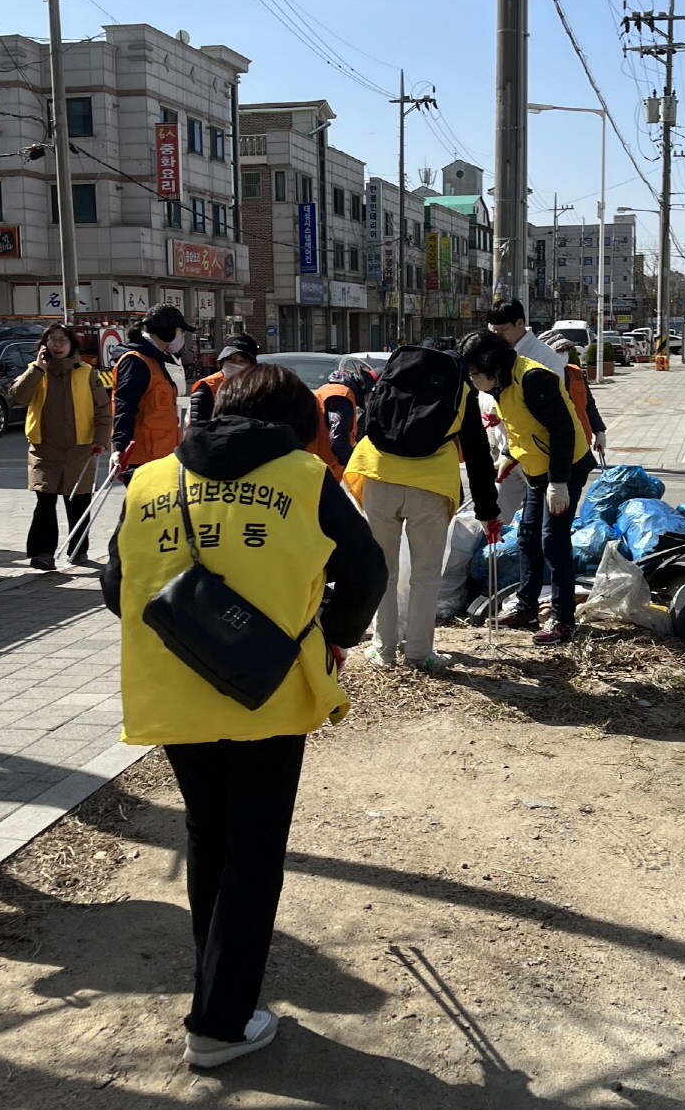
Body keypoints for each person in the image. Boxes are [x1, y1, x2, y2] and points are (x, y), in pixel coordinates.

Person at [101, 363, 386, 1068]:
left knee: (209, 834)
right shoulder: (304, 479)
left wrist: (185, 634)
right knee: (253, 853)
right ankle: (220, 1022)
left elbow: (115, 581)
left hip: (173, 691)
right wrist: (336, 636)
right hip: (270, 687)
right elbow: (368, 571)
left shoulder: (151, 480)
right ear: (296, 422)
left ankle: (216, 978)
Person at [343, 346, 501, 670]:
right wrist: (487, 510)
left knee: (382, 569)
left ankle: (383, 651)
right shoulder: (459, 391)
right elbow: (476, 452)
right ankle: (419, 654)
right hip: (430, 488)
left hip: (377, 476)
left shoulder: (393, 378)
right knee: (426, 576)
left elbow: (368, 425)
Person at [461, 331, 597, 647]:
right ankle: (526, 607)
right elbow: (519, 426)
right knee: (527, 536)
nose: (472, 380)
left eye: (474, 374)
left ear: (490, 367)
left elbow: (563, 431)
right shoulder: (501, 384)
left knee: (553, 540)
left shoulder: (534, 378)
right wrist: (508, 457)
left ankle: (563, 620)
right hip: (536, 468)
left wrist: (560, 483)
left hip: (566, 466)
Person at [10, 323, 111, 570]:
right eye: (52, 340)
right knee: (45, 501)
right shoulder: (35, 371)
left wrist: (100, 440)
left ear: (71, 344)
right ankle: (42, 553)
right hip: (44, 448)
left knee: (78, 501)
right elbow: (18, 396)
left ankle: (78, 551)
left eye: (62, 340)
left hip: (80, 447)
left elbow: (102, 409)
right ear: (44, 345)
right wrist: (37, 369)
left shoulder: (86, 372)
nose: (57, 345)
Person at [112, 304, 191, 480]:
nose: (181, 337)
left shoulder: (155, 360)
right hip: (142, 459)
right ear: (166, 331)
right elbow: (125, 407)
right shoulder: (136, 362)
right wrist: (119, 447)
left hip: (160, 457)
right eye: (180, 332)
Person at [307, 356, 376, 479]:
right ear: (365, 388)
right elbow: (338, 437)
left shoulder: (333, 391)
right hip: (321, 468)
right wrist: (352, 465)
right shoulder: (341, 395)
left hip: (315, 463)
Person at [547, 337, 608, 459]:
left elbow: (589, 405)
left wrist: (599, 431)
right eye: (558, 351)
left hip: (581, 440)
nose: (563, 355)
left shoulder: (575, 373)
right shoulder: (537, 377)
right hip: (551, 445)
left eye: (565, 351)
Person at [486, 299, 567, 377]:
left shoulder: (546, 357)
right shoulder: (493, 352)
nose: (498, 334)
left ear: (520, 323)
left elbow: (554, 390)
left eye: (503, 329)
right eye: (495, 330)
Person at [189, 334, 258, 425]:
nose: (235, 364)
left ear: (252, 365)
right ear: (222, 361)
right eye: (230, 359)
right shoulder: (208, 385)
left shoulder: (259, 386)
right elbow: (198, 426)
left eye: (242, 361)